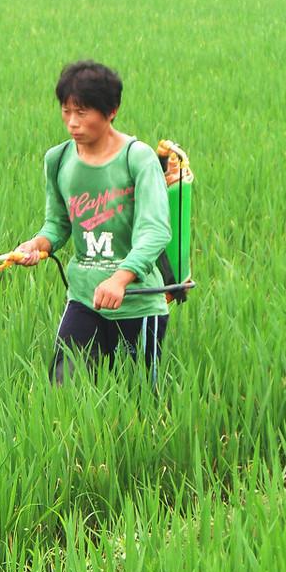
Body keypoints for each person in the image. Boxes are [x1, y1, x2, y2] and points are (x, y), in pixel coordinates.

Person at [14, 60, 172, 387]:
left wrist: (120, 279)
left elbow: (156, 230)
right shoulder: (58, 160)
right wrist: (36, 246)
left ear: (111, 111)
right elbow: (57, 225)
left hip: (137, 302)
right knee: (63, 389)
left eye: (82, 113)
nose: (72, 123)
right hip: (84, 298)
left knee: (140, 396)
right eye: (66, 111)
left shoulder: (137, 158)